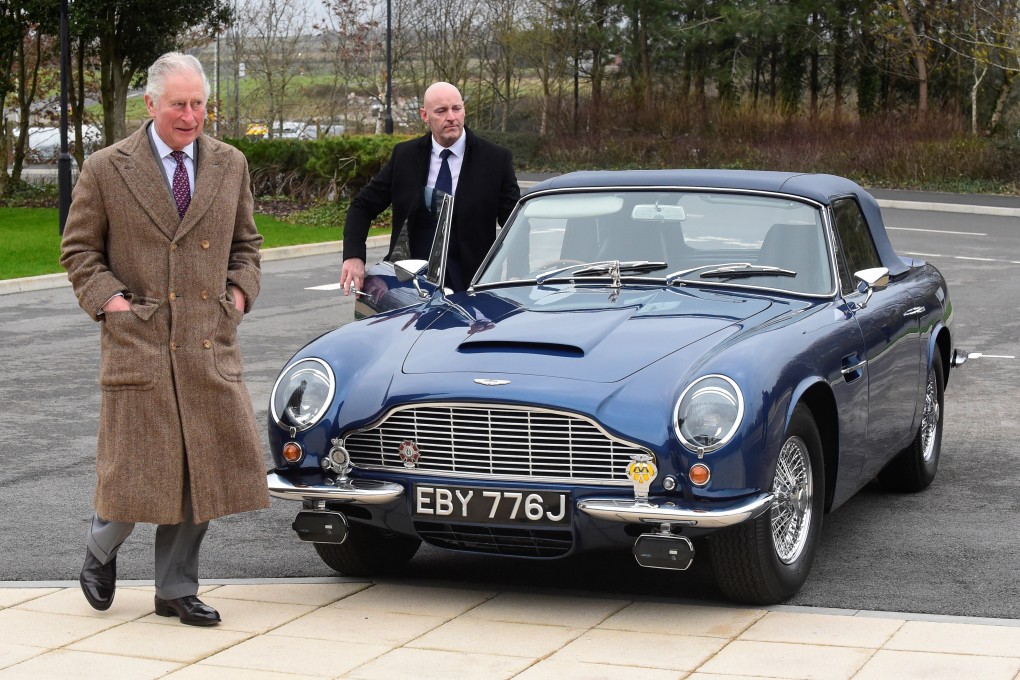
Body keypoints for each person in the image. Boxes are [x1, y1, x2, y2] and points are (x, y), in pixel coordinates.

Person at [59, 52, 269, 627]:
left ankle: (176, 589)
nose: (190, 115)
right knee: (135, 471)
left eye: (198, 103)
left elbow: (247, 247)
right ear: (150, 104)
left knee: (200, 469)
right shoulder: (107, 168)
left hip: (207, 342)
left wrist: (238, 297)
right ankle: (100, 550)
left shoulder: (231, 163)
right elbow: (79, 251)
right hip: (140, 341)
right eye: (178, 103)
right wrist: (115, 304)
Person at [340, 81, 520, 294]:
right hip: (412, 288)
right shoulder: (404, 157)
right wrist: (354, 256)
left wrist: (519, 274)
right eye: (441, 111)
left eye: (456, 108)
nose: (451, 117)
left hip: (473, 289)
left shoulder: (495, 160)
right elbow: (362, 206)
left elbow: (515, 225)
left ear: (464, 110)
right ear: (425, 115)